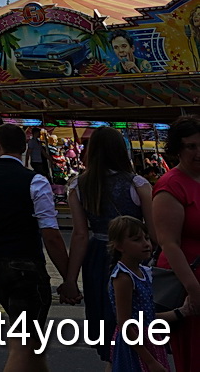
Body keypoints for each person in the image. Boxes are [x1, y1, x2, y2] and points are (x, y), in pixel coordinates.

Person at [0, 123, 72, 372]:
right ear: (24, 149)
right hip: (26, 263)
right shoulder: (35, 181)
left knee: (26, 336)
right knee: (26, 341)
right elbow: (51, 235)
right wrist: (68, 277)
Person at [64, 127, 156, 359]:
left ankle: (111, 358)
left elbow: (80, 235)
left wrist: (70, 280)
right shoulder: (137, 184)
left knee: (105, 318)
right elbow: (154, 231)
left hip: (97, 256)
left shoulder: (78, 186)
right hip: (133, 257)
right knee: (136, 316)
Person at [108, 215, 190, 372]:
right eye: (137, 240)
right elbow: (125, 323)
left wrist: (181, 312)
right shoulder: (123, 277)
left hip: (148, 339)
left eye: (146, 238)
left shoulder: (143, 272)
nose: (146, 244)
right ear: (119, 246)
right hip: (135, 345)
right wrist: (150, 361)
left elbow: (146, 316)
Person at [151, 117, 200, 372]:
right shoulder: (171, 185)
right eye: (191, 146)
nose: (198, 152)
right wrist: (194, 290)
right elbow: (169, 243)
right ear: (177, 149)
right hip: (189, 282)